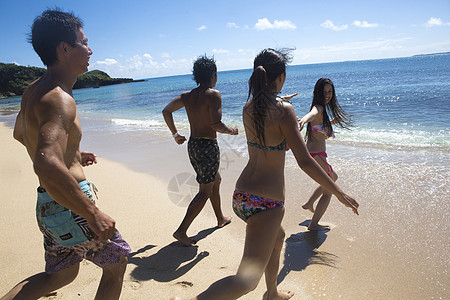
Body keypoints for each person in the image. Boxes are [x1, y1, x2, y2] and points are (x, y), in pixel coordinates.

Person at [172, 49, 359, 300]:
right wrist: (338, 192)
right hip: (267, 203)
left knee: (278, 236)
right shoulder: (284, 110)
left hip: (242, 196)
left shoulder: (249, 107)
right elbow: (304, 161)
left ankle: (272, 293)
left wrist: (281, 100)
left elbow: (269, 115)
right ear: (280, 77)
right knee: (246, 281)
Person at [1, 9, 131, 300]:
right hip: (69, 204)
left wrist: (72, 152)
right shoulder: (60, 98)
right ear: (64, 48)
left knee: (62, 273)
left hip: (48, 202)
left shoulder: (34, 90)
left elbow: (22, 133)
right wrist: (92, 212)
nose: (90, 49)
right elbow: (45, 161)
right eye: (83, 42)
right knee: (117, 261)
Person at [162, 55, 238, 247]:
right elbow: (216, 124)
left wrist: (175, 135)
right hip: (207, 146)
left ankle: (220, 218)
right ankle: (181, 231)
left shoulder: (187, 96)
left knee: (215, 179)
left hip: (194, 144)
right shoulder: (213, 94)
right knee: (204, 191)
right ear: (214, 75)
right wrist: (232, 131)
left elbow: (166, 111)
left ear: (196, 76)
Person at [299, 78, 353, 230]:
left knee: (332, 179)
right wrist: (304, 119)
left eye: (330, 92)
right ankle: (314, 224)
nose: (327, 95)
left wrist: (333, 122)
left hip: (316, 155)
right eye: (324, 92)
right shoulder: (318, 108)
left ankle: (309, 203)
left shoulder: (323, 109)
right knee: (329, 190)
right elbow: (312, 114)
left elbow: (318, 127)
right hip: (316, 156)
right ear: (318, 93)